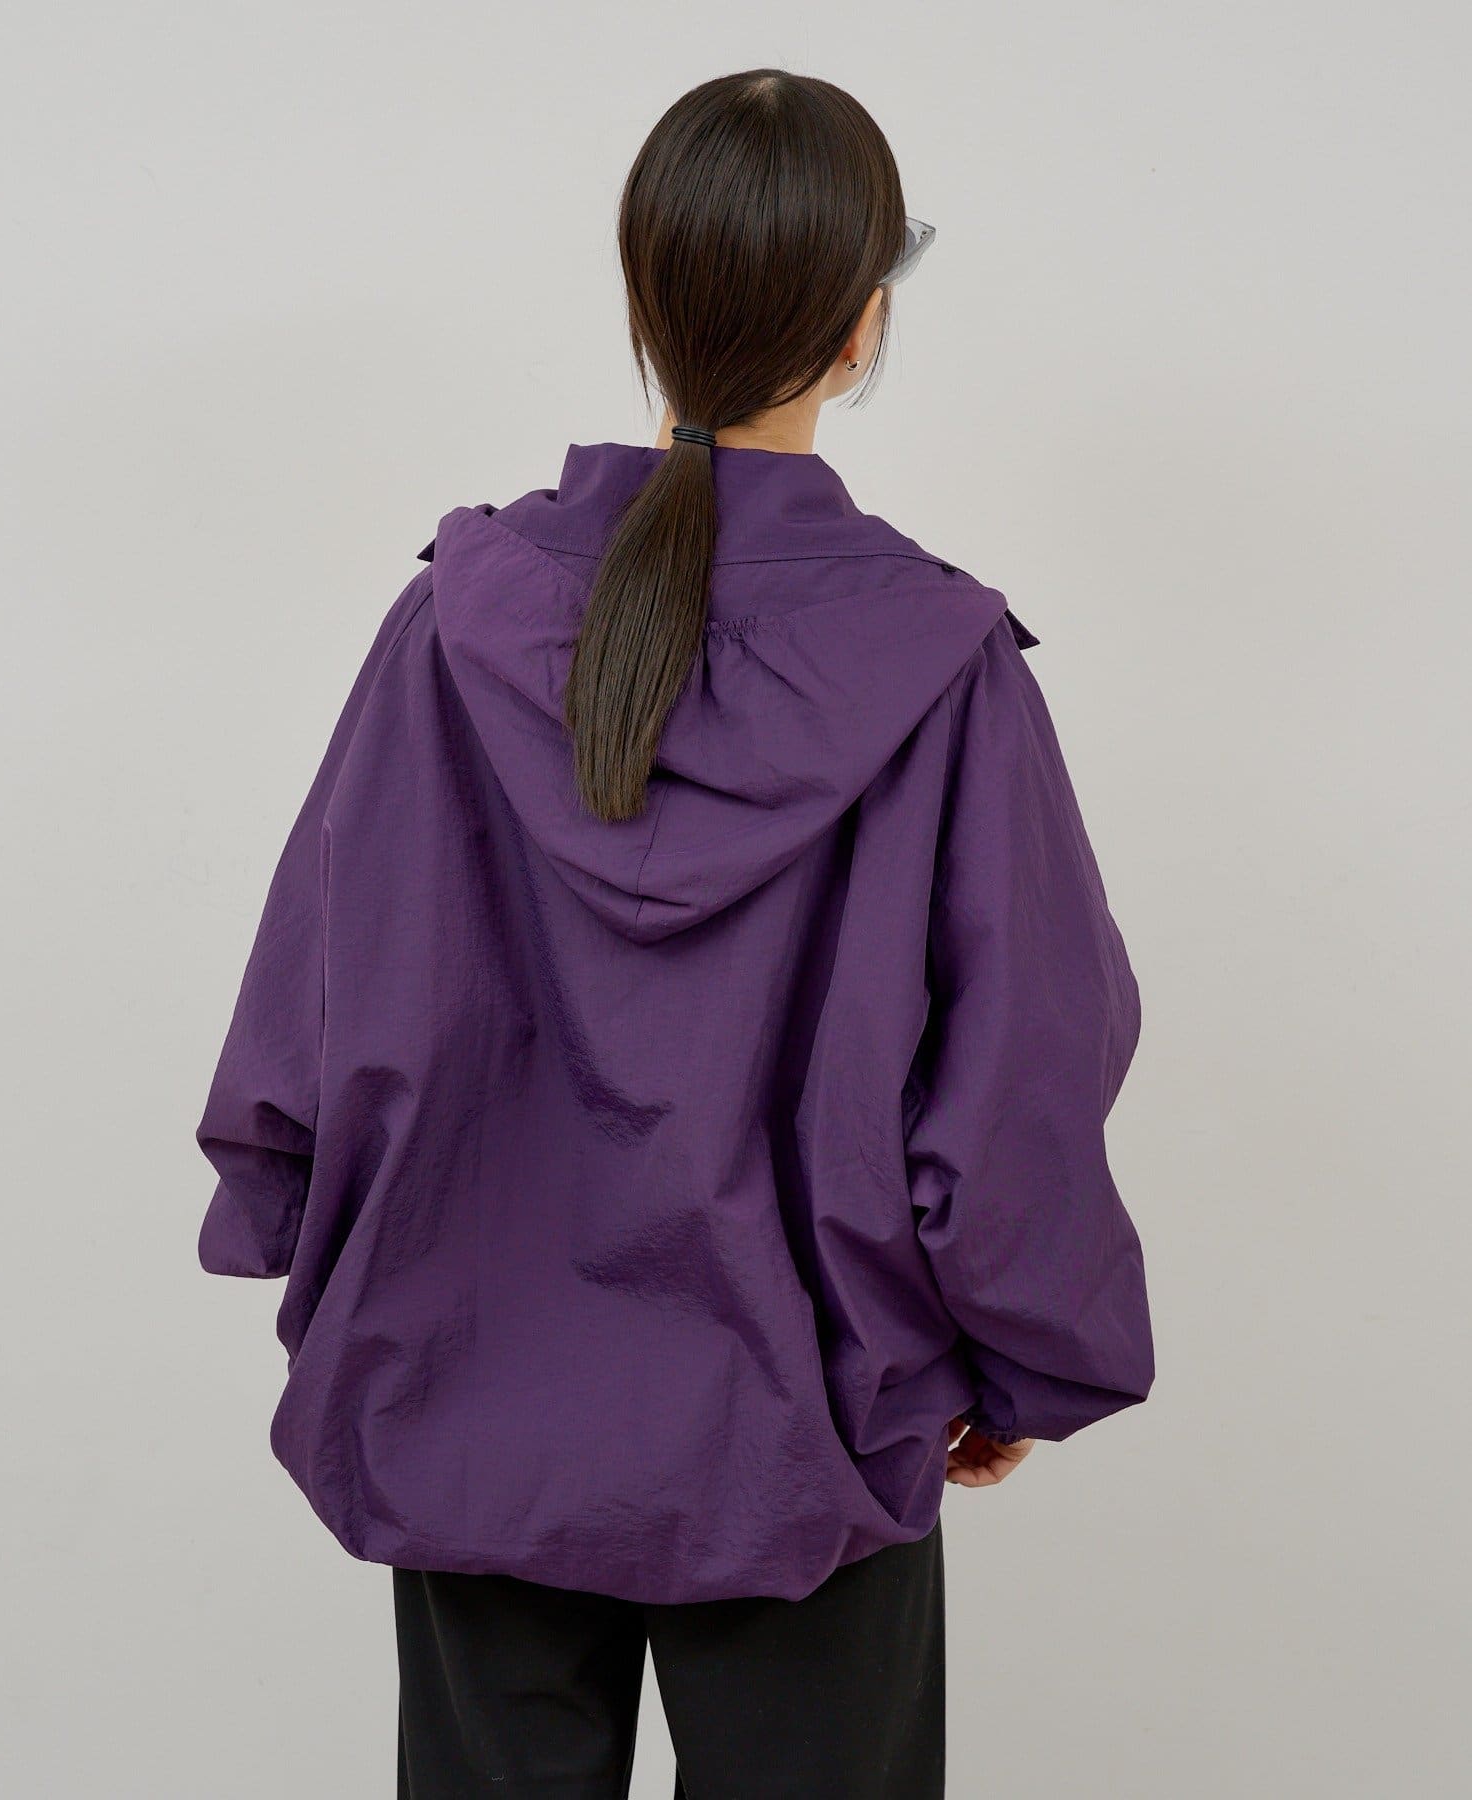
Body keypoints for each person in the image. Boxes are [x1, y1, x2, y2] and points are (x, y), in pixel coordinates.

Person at [194, 67, 1154, 1800]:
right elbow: (1021, 1061)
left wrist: (278, 1209)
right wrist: (1028, 1353)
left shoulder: (455, 624)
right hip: (809, 1415)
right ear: (860, 330)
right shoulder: (940, 667)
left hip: (465, 1378)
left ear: (646, 304)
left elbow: (318, 990)